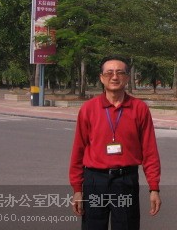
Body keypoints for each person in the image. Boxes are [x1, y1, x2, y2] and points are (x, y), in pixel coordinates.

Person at [69, 55, 161, 229]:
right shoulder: (89, 109)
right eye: (109, 73)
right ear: (101, 77)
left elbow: (150, 151)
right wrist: (77, 189)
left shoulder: (139, 109)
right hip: (95, 181)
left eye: (120, 72)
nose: (114, 77)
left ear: (127, 77)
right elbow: (78, 151)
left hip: (125, 180)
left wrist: (154, 187)